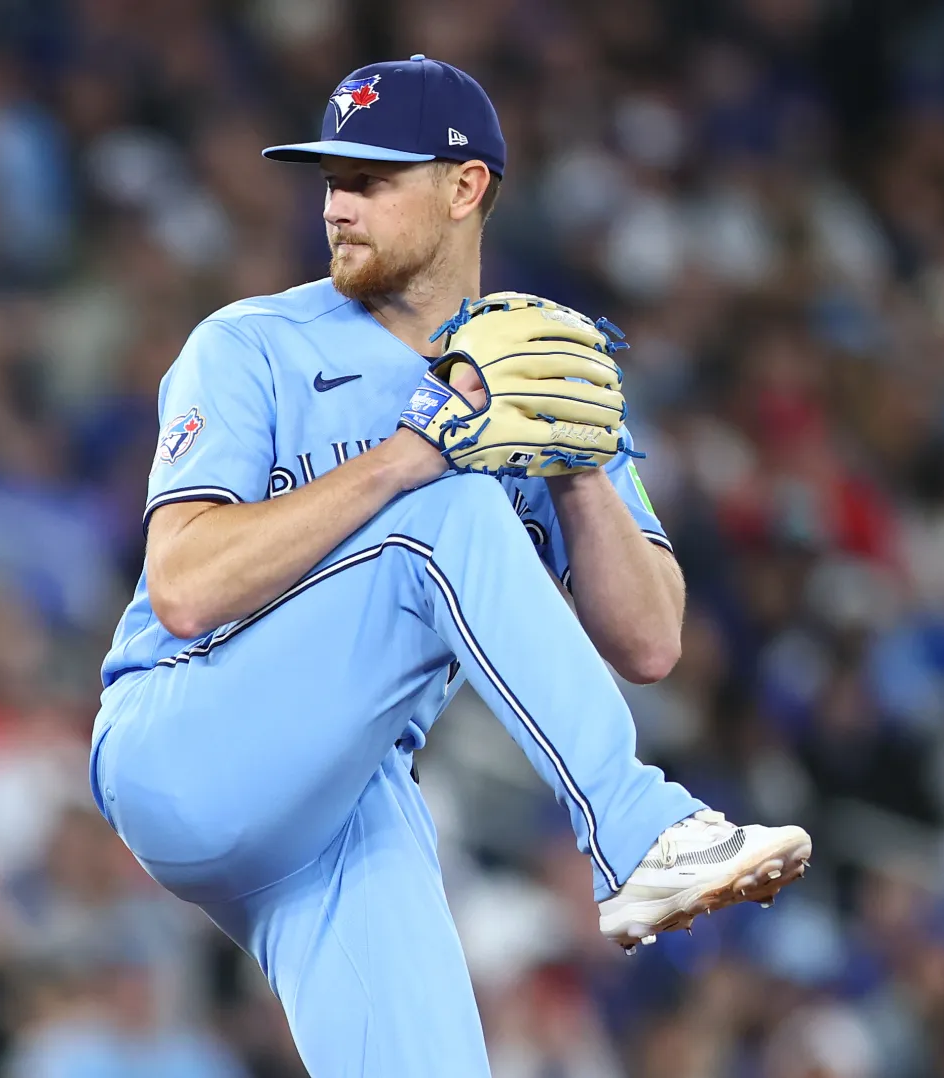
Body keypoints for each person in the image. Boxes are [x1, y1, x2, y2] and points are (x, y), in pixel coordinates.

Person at [89, 56, 811, 1076]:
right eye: (330, 178)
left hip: (345, 797)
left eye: (372, 179)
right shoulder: (250, 343)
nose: (337, 205)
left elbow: (649, 639)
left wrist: (574, 471)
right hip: (185, 730)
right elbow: (186, 586)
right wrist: (410, 455)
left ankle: (637, 828)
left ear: (464, 186)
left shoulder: (535, 370)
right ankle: (637, 826)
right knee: (450, 497)